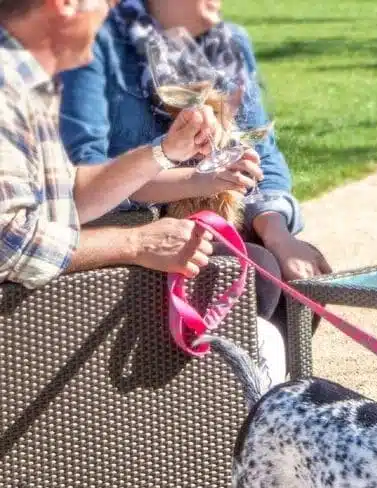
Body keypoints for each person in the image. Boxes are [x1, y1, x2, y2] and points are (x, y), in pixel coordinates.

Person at [59, 0, 331, 386]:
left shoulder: (228, 43)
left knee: (300, 281)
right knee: (257, 272)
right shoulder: (98, 42)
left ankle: (255, 406)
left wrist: (280, 236)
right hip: (134, 225)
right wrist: (199, 180)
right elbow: (84, 175)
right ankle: (236, 409)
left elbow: (263, 159)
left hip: (216, 214)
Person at [0, 0, 221, 290]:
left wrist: (165, 151)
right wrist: (136, 242)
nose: (111, 13)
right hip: (26, 327)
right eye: (107, 2)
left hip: (44, 311)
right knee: (260, 330)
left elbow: (69, 195)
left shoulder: (24, 82)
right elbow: (10, 244)